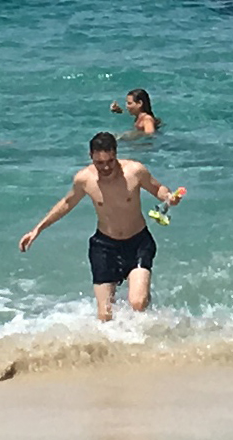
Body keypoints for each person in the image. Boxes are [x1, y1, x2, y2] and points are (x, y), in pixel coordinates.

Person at [21, 130, 186, 321]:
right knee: (105, 315)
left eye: (110, 161)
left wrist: (168, 197)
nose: (106, 167)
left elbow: (157, 188)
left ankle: (147, 312)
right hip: (104, 246)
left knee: (138, 303)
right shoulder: (84, 179)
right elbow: (66, 203)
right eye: (99, 163)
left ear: (116, 154)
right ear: (91, 156)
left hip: (138, 242)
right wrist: (37, 229)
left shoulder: (134, 171)